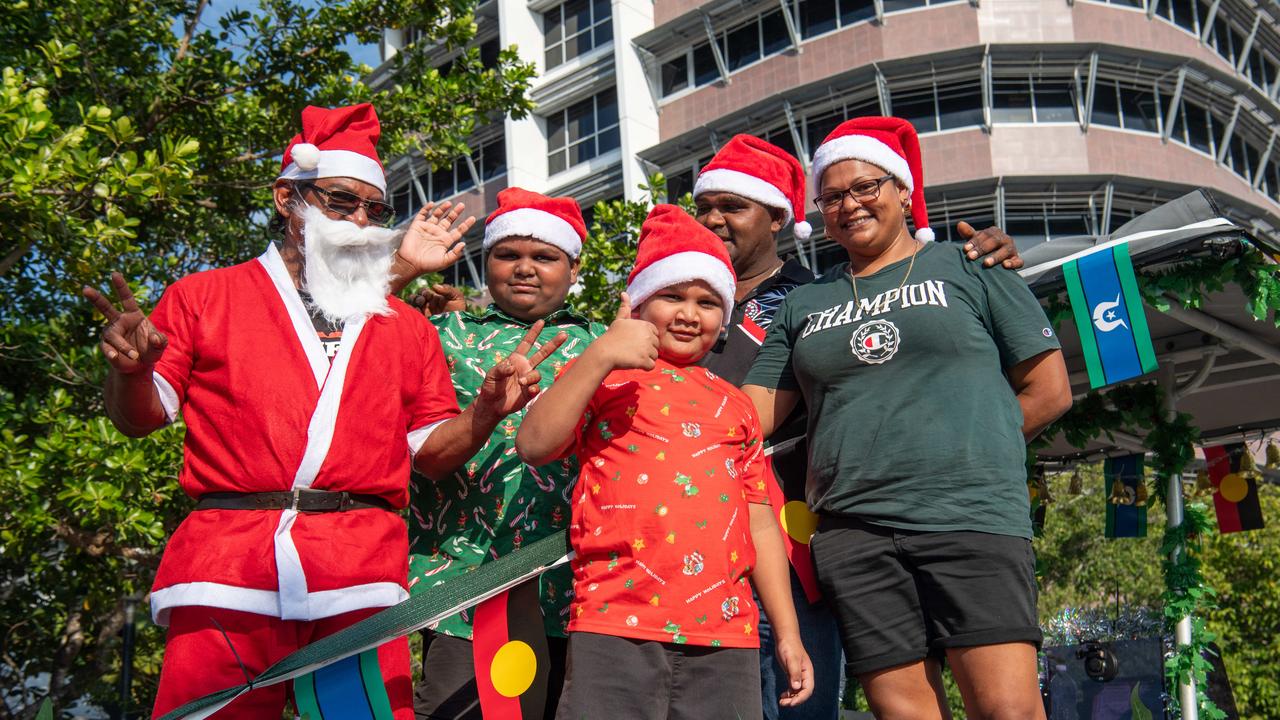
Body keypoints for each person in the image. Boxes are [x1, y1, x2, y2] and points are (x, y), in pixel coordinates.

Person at [82, 103, 558, 718]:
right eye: (339, 201)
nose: (359, 220)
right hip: (228, 564)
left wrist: (486, 413)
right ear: (288, 199)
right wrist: (131, 371)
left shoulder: (406, 327)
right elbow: (142, 417)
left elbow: (433, 457)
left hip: (358, 574)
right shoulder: (204, 297)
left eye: (374, 209)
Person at [741, 116, 1072, 720]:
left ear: (900, 190)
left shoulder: (970, 265)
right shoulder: (804, 303)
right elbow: (751, 414)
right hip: (852, 535)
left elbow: (1047, 390)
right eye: (833, 196)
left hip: (968, 517)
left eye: (866, 187)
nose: (851, 204)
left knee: (1008, 710)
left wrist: (969, 448)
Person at [516, 205, 815, 719]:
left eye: (706, 301)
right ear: (637, 304)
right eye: (671, 296)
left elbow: (760, 522)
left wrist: (787, 633)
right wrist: (602, 353)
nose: (688, 313)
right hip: (615, 622)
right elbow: (535, 443)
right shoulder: (605, 376)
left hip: (729, 633)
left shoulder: (736, 402)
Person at [405, 187, 606, 720]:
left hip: (578, 589)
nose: (525, 269)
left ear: (573, 267)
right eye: (507, 255)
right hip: (463, 582)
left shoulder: (607, 345)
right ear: (485, 260)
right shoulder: (437, 335)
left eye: (544, 257)